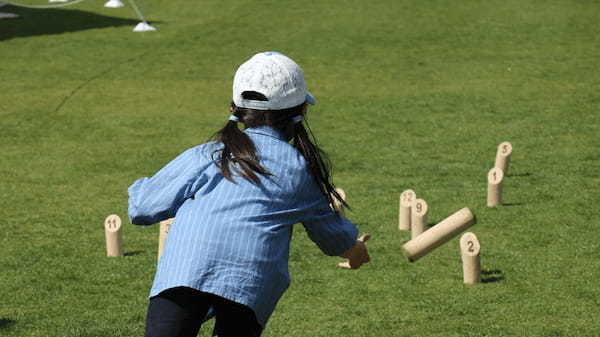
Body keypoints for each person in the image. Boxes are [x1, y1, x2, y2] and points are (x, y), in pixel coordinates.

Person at [128, 51, 371, 337]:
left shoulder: (209, 153)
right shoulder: (299, 169)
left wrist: (143, 185)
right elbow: (331, 236)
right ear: (301, 111)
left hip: (183, 271)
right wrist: (355, 251)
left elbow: (142, 207)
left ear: (235, 108)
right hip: (249, 282)